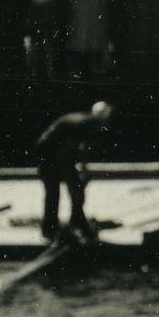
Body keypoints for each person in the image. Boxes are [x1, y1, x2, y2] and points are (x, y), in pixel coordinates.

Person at [35, 101, 112, 241]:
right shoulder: (86, 123)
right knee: (55, 192)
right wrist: (72, 176)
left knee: (74, 189)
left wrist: (83, 171)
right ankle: (52, 229)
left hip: (57, 153)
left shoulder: (88, 121)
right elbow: (66, 152)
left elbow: (81, 149)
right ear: (101, 116)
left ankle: (77, 223)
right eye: (106, 117)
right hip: (48, 154)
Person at [25, 0, 67, 82]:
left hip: (48, 9)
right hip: (35, 9)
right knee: (35, 41)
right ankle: (36, 71)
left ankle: (50, 72)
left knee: (48, 40)